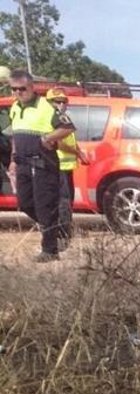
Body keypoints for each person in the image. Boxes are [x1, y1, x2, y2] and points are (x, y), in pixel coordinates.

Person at [6, 70, 75, 262]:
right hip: (22, 165)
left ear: (31, 87)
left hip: (43, 164)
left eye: (22, 89)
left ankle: (50, 250)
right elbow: (14, 136)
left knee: (45, 207)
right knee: (25, 203)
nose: (19, 92)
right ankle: (55, 228)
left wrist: (48, 137)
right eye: (14, 89)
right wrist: (12, 159)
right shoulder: (14, 107)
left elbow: (67, 127)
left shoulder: (46, 106)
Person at [44, 88, 89, 247]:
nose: (62, 104)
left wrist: (78, 151)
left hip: (67, 165)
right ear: (49, 103)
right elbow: (59, 143)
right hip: (58, 165)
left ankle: (66, 229)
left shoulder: (64, 118)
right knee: (63, 201)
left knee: (67, 200)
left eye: (64, 101)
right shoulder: (50, 119)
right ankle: (62, 235)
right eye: (58, 101)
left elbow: (70, 139)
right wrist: (78, 153)